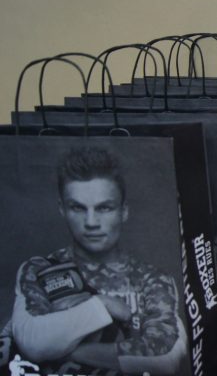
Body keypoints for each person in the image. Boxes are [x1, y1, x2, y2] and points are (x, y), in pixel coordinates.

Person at [8, 146, 186, 375]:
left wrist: (67, 349)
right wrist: (101, 306)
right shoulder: (40, 269)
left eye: (104, 208)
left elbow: (164, 359)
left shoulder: (152, 279)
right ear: (62, 209)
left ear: (123, 211)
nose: (91, 222)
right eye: (78, 208)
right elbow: (33, 342)